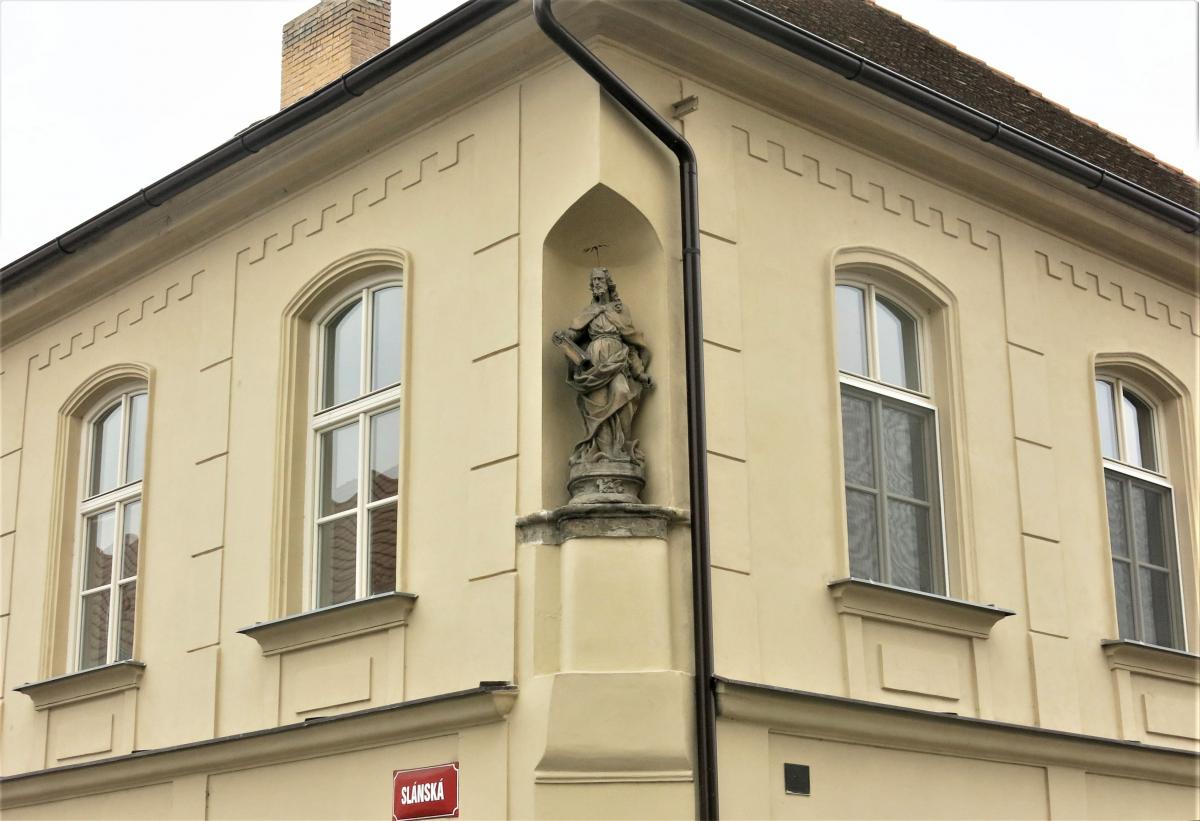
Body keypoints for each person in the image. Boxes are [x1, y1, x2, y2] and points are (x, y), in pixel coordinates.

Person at [553, 268, 653, 467]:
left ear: (608, 283)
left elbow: (630, 340)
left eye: (600, 279)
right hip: (594, 364)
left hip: (617, 358)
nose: (596, 283)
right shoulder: (588, 312)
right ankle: (606, 453)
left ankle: (621, 448)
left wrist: (639, 373)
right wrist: (563, 336)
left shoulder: (620, 310)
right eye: (594, 281)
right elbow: (574, 334)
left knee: (622, 392)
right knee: (598, 406)